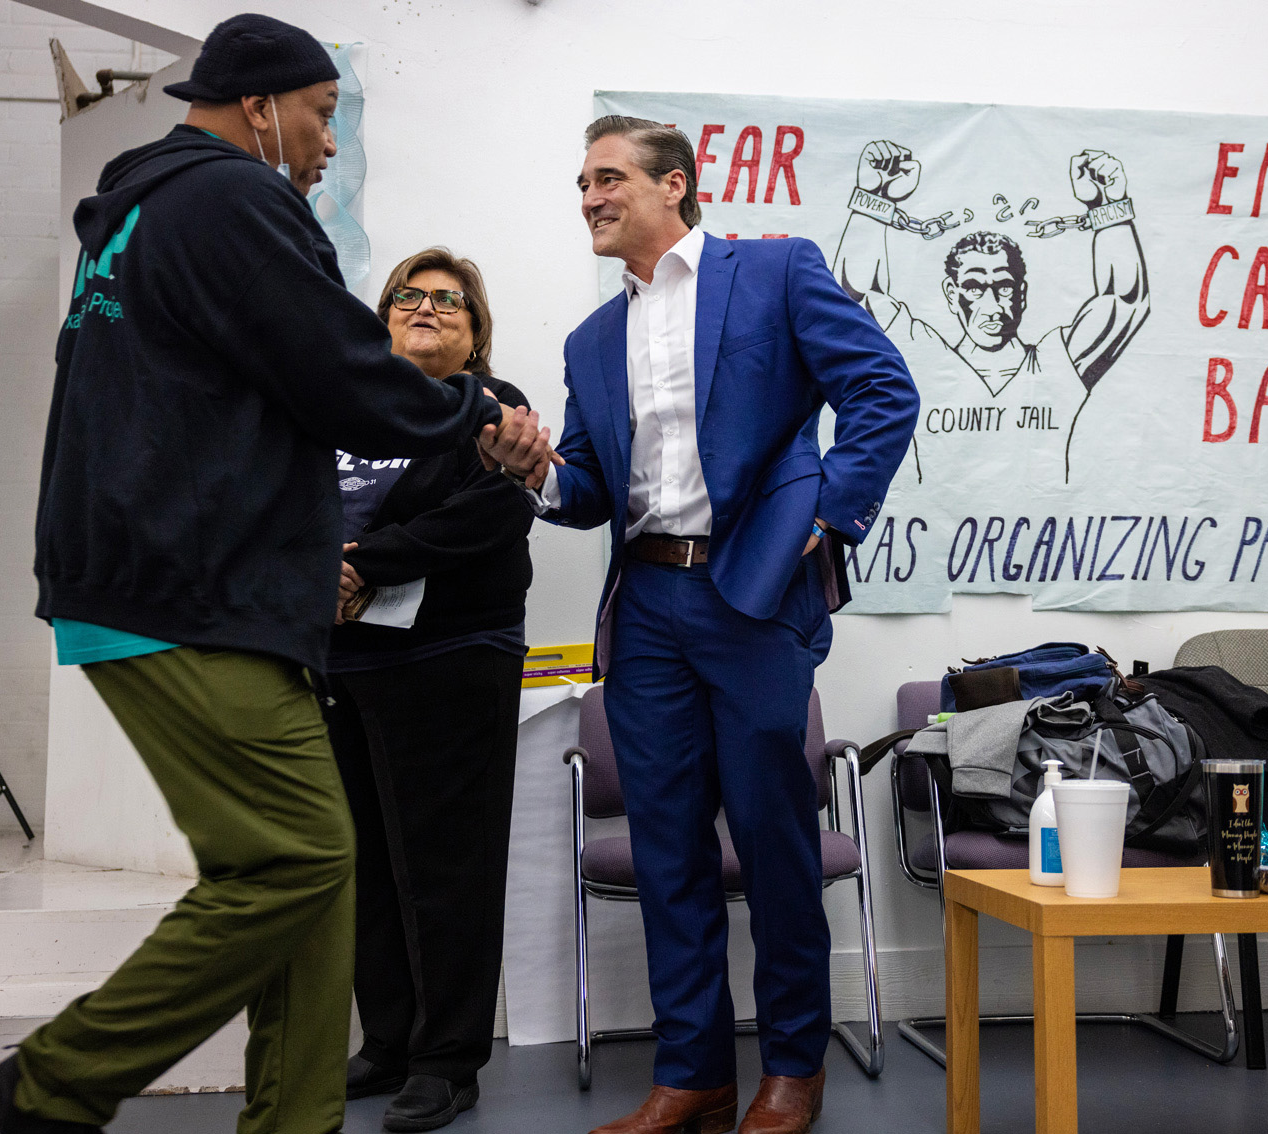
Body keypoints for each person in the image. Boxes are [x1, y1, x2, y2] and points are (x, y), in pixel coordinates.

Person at [0, 16, 501, 1134]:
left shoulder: (143, 211)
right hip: (186, 587)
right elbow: (344, 374)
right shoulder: (231, 199)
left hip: (174, 579)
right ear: (259, 106)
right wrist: (476, 417)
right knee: (295, 858)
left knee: (317, 886)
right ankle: (48, 1086)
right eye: (320, 115)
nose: (329, 144)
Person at [481, 116, 918, 1134]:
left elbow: (881, 390)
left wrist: (824, 519)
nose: (588, 198)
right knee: (668, 848)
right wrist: (534, 473)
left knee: (773, 838)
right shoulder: (591, 340)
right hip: (645, 607)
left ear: (673, 183)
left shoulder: (774, 273)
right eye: (580, 184)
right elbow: (592, 489)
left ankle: (793, 1068)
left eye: (606, 178)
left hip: (753, 595)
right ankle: (693, 1076)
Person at [324, 248, 533, 1132]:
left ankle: (448, 1061)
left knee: (448, 868)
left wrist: (364, 564)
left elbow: (491, 514)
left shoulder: (494, 410)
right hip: (342, 661)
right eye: (409, 296)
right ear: (382, 319)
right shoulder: (344, 407)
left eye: (451, 301)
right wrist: (316, 566)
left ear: (476, 334)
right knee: (367, 862)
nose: (427, 308)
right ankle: (389, 1040)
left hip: (451, 658)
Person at [832, 140, 1150, 484]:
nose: (992, 304)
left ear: (1022, 294)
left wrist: (1109, 205)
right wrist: (874, 199)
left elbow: (1124, 301)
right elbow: (855, 302)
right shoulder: (925, 362)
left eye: (1004, 286)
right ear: (952, 295)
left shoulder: (1054, 367)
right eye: (973, 287)